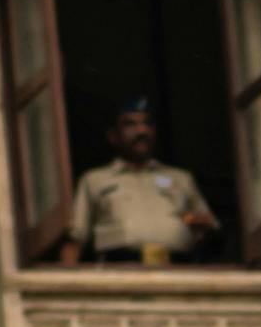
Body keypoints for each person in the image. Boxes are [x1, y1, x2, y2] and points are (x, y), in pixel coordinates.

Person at [63, 97, 220, 265]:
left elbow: (208, 227)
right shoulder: (94, 179)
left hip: (176, 269)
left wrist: (204, 228)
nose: (141, 130)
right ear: (113, 136)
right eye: (130, 124)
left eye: (147, 124)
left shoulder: (181, 178)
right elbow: (75, 239)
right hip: (118, 272)